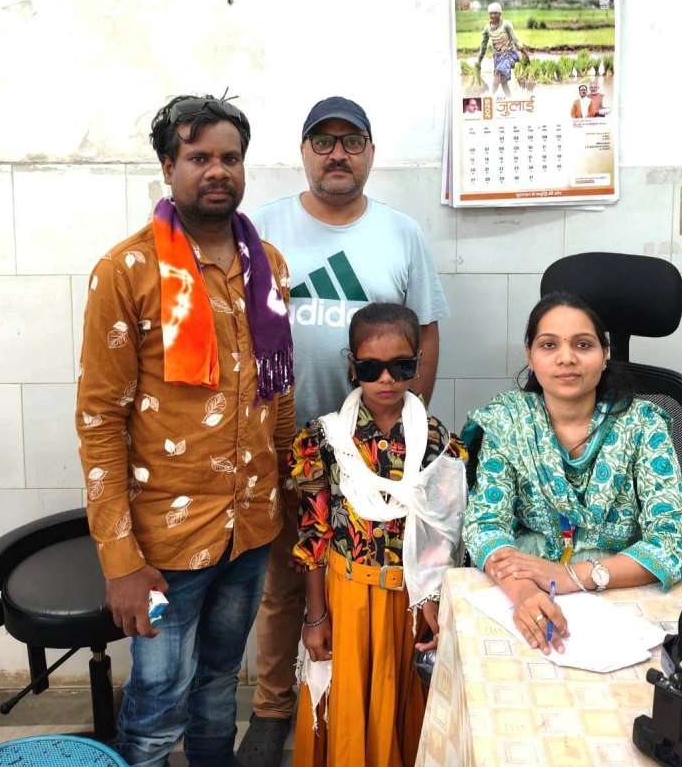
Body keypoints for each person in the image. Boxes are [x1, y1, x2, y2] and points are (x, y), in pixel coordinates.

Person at [75, 93, 295, 766]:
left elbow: (277, 393)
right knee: (158, 699)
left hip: (250, 530)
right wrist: (120, 561)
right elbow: (99, 422)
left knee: (220, 681)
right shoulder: (127, 271)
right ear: (169, 167)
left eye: (230, 157)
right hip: (164, 545)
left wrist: (290, 495)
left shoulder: (268, 265)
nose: (217, 170)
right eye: (199, 157)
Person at [239, 96, 449, 765]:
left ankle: (377, 703)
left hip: (378, 449)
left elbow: (426, 332)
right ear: (304, 152)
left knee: (382, 578)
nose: (337, 154)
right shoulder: (261, 229)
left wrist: (408, 425)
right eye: (323, 142)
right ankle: (274, 707)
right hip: (288, 443)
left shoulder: (400, 233)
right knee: (287, 581)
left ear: (370, 153)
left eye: (351, 141)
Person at [462, 292, 682, 654]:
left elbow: (673, 540)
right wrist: (523, 593)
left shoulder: (642, 424)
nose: (566, 358)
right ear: (530, 355)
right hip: (525, 592)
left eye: (583, 345)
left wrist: (572, 575)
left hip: (622, 596)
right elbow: (484, 525)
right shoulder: (508, 421)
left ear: (605, 353)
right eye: (549, 345)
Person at [290, 303, 467, 767]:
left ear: (417, 365)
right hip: (345, 598)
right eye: (372, 368)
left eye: (401, 367)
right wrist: (315, 617)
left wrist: (434, 602)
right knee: (349, 710)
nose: (386, 379)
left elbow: (444, 534)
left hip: (411, 602)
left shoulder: (437, 442)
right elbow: (313, 535)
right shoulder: (325, 440)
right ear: (353, 366)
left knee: (403, 711)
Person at [476, 2, 526, 97]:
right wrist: (479, 60)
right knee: (503, 82)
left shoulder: (506, 25)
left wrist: (523, 51)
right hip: (497, 57)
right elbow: (483, 45)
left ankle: (490, 98)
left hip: (509, 55)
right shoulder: (487, 28)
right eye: (491, 13)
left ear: (500, 14)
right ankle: (509, 99)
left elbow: (515, 39)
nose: (493, 15)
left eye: (495, 13)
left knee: (497, 75)